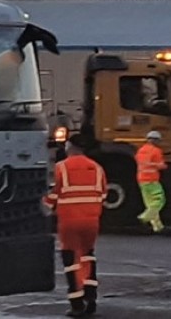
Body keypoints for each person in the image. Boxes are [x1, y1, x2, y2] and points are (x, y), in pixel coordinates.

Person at [44, 134, 106, 316]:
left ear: (69, 147)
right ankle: (91, 296)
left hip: (69, 220)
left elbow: (53, 195)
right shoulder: (97, 168)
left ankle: (77, 303)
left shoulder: (61, 168)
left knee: (71, 260)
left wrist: (45, 208)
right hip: (91, 220)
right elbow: (103, 194)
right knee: (87, 255)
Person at [136, 130, 168, 233]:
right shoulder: (156, 151)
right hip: (152, 179)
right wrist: (163, 166)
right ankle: (144, 217)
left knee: (150, 204)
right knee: (159, 201)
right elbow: (159, 165)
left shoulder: (141, 150)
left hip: (141, 179)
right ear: (155, 140)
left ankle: (157, 226)